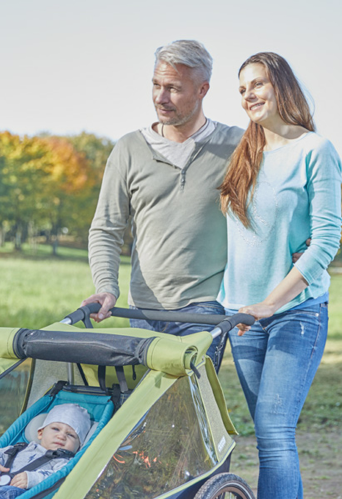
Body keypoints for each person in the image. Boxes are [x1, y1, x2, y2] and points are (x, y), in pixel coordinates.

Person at [219, 52, 342, 499]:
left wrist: (273, 302)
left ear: (282, 86)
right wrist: (235, 307)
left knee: (272, 432)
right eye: (241, 87)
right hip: (242, 320)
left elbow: (325, 243)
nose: (248, 94)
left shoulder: (315, 150)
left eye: (258, 84)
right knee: (274, 438)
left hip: (295, 314)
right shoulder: (244, 153)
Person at [82, 39, 245, 369]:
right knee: (143, 410)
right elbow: (106, 229)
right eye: (156, 85)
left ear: (202, 90)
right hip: (142, 309)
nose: (160, 97)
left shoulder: (237, 145)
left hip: (204, 308)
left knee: (187, 410)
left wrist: (304, 239)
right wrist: (106, 287)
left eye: (173, 88)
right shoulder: (129, 149)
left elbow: (279, 202)